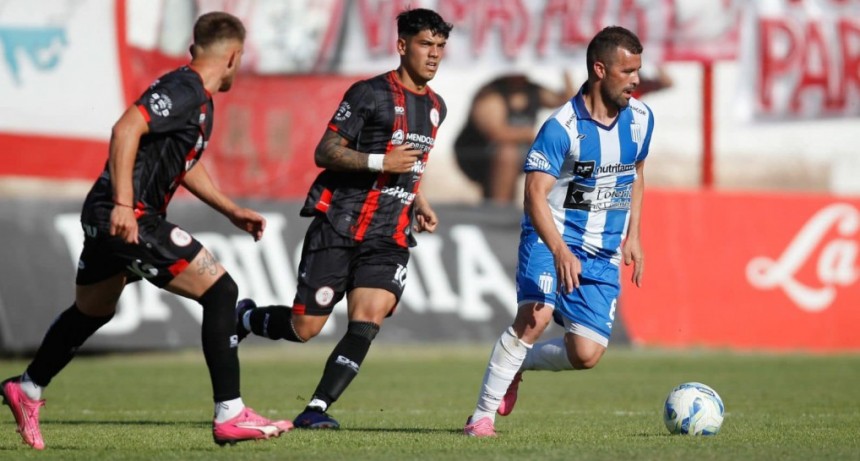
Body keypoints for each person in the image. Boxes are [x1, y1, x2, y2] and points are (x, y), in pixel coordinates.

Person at [0, 12, 292, 449]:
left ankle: (28, 387)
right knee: (221, 292)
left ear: (196, 48)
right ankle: (230, 413)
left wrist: (230, 209)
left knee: (93, 311)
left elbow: (184, 166)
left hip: (109, 215)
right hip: (129, 216)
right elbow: (126, 128)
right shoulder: (185, 90)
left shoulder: (196, 98)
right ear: (233, 56)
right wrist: (123, 205)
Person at [234, 8, 453, 430]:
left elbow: (409, 163)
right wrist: (379, 160)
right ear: (403, 45)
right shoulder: (368, 94)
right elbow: (326, 151)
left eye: (440, 46)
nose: (434, 54)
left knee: (368, 318)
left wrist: (418, 198)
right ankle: (245, 318)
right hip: (340, 224)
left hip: (389, 234)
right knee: (305, 328)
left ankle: (315, 408)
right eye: (426, 44)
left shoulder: (437, 107)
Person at [463, 26, 654, 437]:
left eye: (638, 70)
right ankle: (481, 416)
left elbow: (636, 172)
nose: (636, 80)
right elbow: (534, 193)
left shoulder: (640, 119)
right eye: (628, 71)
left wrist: (634, 234)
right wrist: (559, 249)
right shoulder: (562, 127)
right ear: (600, 70)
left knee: (586, 354)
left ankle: (519, 363)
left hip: (601, 251)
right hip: (551, 236)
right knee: (536, 317)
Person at [454, 72, 575, 206]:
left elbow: (570, 103)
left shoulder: (533, 90)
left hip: (518, 153)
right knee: (508, 152)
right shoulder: (490, 95)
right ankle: (499, 209)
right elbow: (496, 132)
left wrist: (565, 70)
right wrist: (528, 134)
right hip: (476, 153)